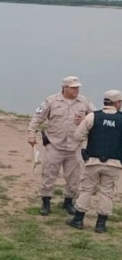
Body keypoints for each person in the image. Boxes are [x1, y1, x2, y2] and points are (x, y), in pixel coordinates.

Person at [28, 76, 94, 216]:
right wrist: (31, 133)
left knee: (74, 177)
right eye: (73, 87)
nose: (76, 90)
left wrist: (85, 120)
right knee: (49, 174)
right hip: (54, 144)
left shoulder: (84, 102)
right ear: (65, 88)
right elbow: (37, 117)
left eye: (77, 87)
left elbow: (95, 117)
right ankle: (46, 202)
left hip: (75, 146)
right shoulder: (51, 101)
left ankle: (68, 201)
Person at [66, 90, 122, 233]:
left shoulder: (93, 116)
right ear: (116, 103)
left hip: (93, 160)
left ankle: (78, 220)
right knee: (107, 192)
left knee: (86, 189)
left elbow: (78, 135)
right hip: (114, 163)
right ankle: (101, 224)